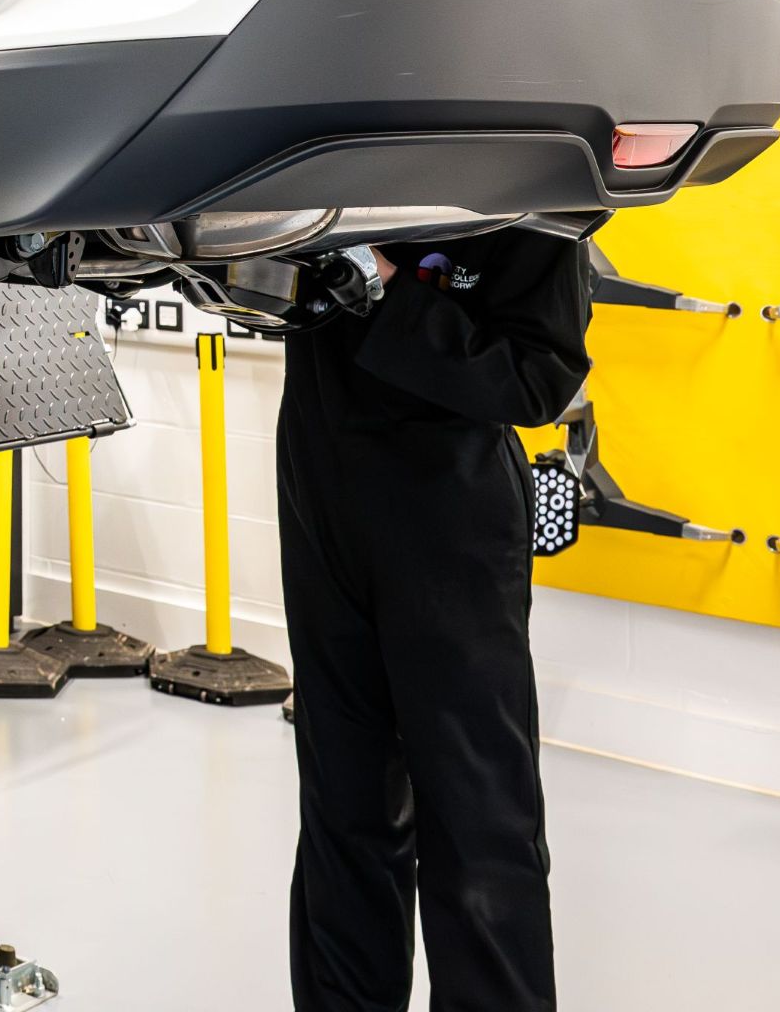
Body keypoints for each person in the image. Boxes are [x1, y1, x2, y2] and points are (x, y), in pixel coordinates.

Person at [277, 226, 593, 1012]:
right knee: (342, 803)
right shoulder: (326, 147)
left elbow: (536, 379)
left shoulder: (531, 186)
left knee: (475, 814)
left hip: (446, 507)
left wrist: (385, 289)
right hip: (321, 479)